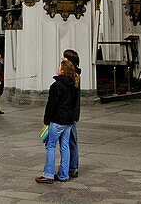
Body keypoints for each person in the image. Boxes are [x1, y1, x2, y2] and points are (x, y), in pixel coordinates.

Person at [36, 59, 78, 184]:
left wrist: (46, 120)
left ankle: (48, 174)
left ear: (63, 71)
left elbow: (51, 105)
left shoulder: (56, 86)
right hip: (68, 121)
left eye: (59, 67)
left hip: (57, 120)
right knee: (65, 147)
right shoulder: (73, 86)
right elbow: (74, 105)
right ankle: (63, 174)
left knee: (50, 146)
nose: (58, 68)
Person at [63, 49, 81, 179]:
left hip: (70, 113)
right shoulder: (74, 75)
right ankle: (70, 166)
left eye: (64, 58)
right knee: (69, 141)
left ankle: (73, 167)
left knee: (71, 141)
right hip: (71, 112)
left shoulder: (72, 76)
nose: (62, 59)